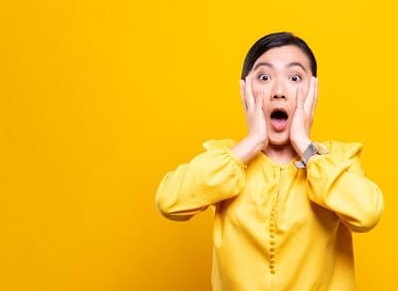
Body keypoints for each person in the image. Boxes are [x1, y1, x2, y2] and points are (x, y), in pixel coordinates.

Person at [155, 31, 384, 291]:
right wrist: (252, 142)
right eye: (264, 77)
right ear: (246, 90)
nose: (278, 91)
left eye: (295, 77)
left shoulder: (337, 160)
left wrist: (304, 144)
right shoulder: (226, 159)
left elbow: (367, 214)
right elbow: (170, 202)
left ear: (313, 92)